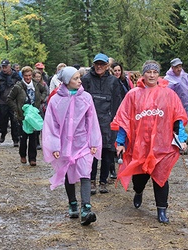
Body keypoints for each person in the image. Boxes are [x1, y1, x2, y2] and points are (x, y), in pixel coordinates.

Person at [111, 60, 188, 223]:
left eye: (154, 72)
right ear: (143, 74)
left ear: (158, 74)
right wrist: (121, 142)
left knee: (161, 177)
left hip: (162, 145)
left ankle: (162, 210)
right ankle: (138, 192)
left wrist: (181, 138)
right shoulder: (133, 94)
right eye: (148, 72)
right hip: (140, 145)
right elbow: (125, 119)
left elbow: (178, 118)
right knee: (139, 178)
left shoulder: (168, 94)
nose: (152, 75)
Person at [42, 66, 102, 226]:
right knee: (69, 173)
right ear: (67, 81)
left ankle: (86, 208)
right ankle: (73, 203)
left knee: (85, 173)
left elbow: (92, 120)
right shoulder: (56, 100)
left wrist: (94, 142)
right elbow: (51, 124)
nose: (79, 81)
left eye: (79, 77)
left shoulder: (86, 97)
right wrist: (54, 146)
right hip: (63, 144)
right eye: (75, 78)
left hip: (83, 143)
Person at [81, 53, 122, 194]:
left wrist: (115, 121)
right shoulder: (85, 79)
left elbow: (118, 103)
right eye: (96, 64)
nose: (99, 66)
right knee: (91, 153)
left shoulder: (113, 82)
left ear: (107, 66)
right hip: (90, 122)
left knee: (107, 153)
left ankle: (103, 181)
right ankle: (91, 181)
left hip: (108, 122)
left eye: (102, 64)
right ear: (93, 64)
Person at [7, 66, 47, 166]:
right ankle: (23, 155)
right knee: (23, 137)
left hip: (33, 115)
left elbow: (45, 91)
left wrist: (41, 99)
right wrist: (17, 109)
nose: (28, 78)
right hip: (23, 116)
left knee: (33, 138)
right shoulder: (18, 87)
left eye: (29, 75)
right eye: (26, 76)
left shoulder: (36, 85)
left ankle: (33, 158)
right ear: (23, 76)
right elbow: (9, 99)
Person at [0, 59, 22, 146]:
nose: (4, 69)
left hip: (13, 103)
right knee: (2, 121)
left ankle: (15, 140)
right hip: (2, 102)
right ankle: (3, 132)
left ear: (10, 66)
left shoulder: (16, 76)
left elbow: (21, 89)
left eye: (6, 67)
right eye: (3, 67)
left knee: (15, 121)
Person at [33, 69, 49, 150]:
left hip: (42, 107)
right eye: (36, 77)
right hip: (34, 107)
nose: (38, 78)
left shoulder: (44, 84)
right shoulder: (31, 85)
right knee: (36, 125)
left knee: (43, 126)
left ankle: (44, 142)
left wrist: (43, 99)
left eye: (39, 77)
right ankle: (36, 143)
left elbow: (47, 93)